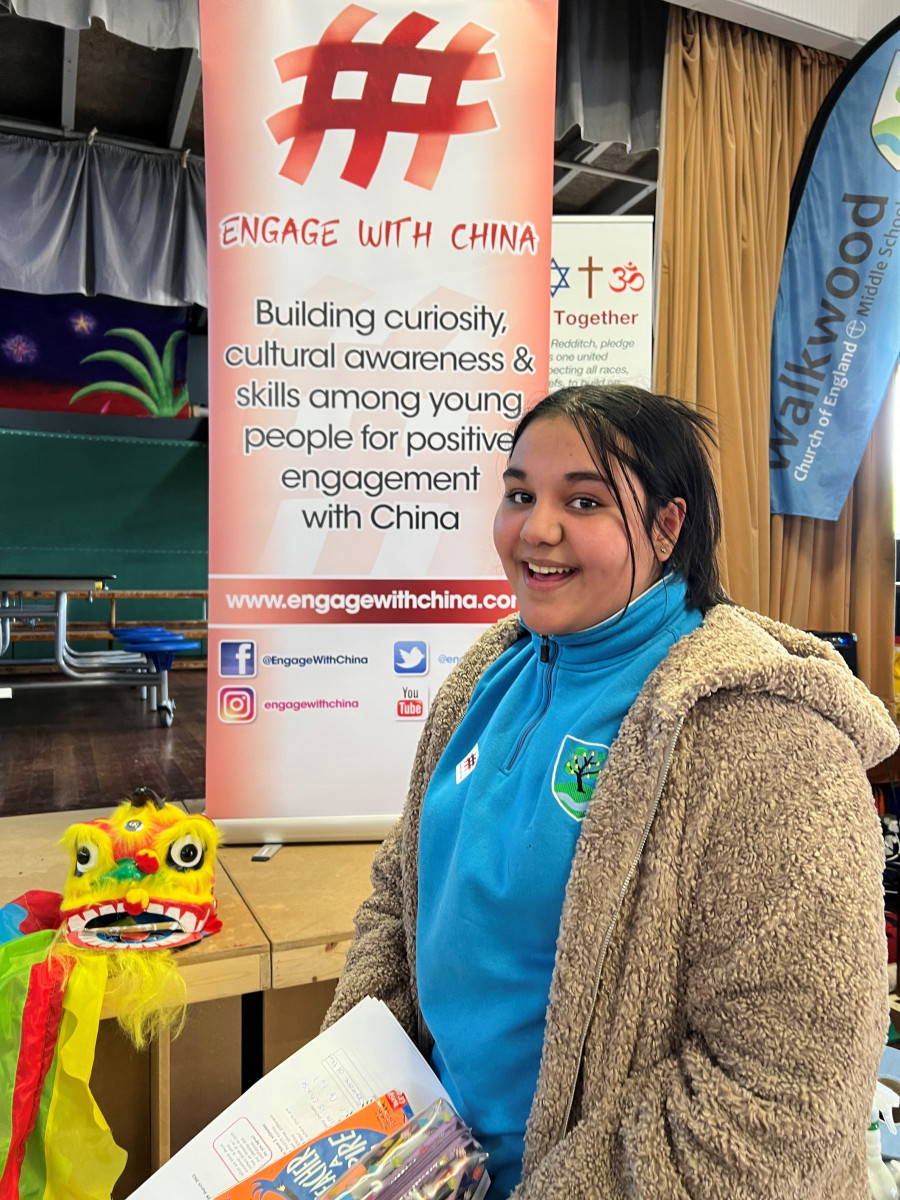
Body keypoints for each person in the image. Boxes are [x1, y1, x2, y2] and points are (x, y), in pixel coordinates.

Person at [324, 385, 898, 1198]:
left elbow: (787, 1093)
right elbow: (400, 892)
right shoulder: (493, 672)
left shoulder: (765, 737)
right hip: (430, 1168)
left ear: (669, 527)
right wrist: (366, 1101)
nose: (536, 528)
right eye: (520, 494)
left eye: (583, 501)